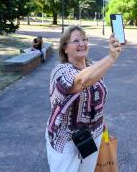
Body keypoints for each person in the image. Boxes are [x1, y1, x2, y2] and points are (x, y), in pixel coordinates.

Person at [45, 25, 122, 172]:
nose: (82, 43)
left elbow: (96, 98)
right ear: (65, 49)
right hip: (66, 141)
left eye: (84, 39)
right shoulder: (60, 70)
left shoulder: (92, 66)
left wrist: (102, 121)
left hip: (93, 135)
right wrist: (111, 57)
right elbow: (80, 82)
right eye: (76, 41)